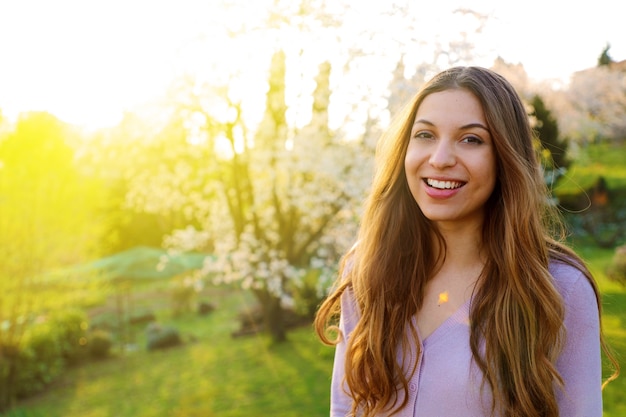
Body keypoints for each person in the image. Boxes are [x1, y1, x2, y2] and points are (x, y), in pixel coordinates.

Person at [314, 66, 618, 417]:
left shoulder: (558, 289)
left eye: (471, 139)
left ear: (505, 158)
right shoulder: (368, 268)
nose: (440, 159)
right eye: (425, 135)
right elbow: (344, 406)